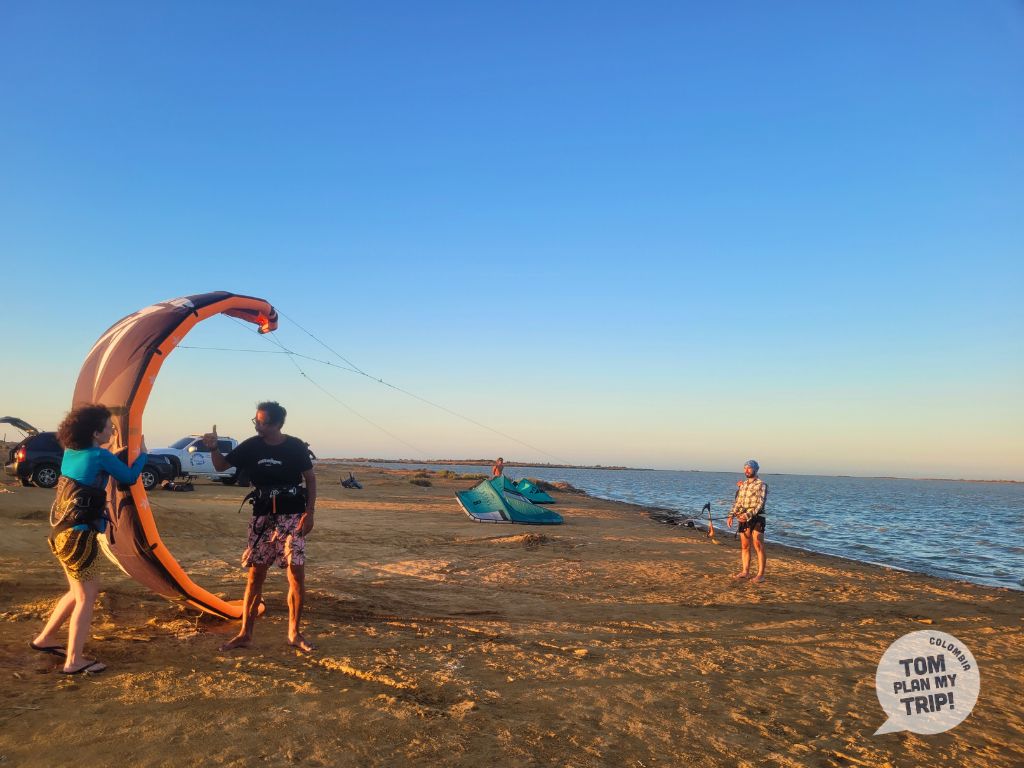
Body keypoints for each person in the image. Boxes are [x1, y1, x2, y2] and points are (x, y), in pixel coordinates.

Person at [32, 404, 148, 674]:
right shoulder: (98, 455)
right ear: (96, 433)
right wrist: (142, 454)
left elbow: (99, 468)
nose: (112, 430)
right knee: (86, 596)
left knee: (77, 592)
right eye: (109, 427)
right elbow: (129, 476)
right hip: (78, 538)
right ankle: (74, 661)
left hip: (60, 532)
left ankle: (45, 639)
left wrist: (117, 448)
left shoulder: (71, 453)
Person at [204, 401, 317, 652]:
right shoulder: (252, 445)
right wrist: (212, 448)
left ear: (277, 424)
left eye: (262, 422)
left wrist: (309, 513)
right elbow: (221, 466)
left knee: (296, 575)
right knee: (255, 576)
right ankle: (245, 633)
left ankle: (294, 633)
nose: (257, 425)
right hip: (262, 517)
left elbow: (310, 479)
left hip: (292, 516)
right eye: (255, 420)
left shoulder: (295, 446)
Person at [726, 459, 769, 584]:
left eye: (749, 468)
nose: (746, 470)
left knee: (758, 544)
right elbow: (738, 502)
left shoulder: (762, 484)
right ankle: (745, 571)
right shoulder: (743, 485)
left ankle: (761, 575)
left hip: (757, 517)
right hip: (743, 517)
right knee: (745, 546)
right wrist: (731, 515)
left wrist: (747, 515)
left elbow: (760, 504)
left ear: (755, 469)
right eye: (745, 468)